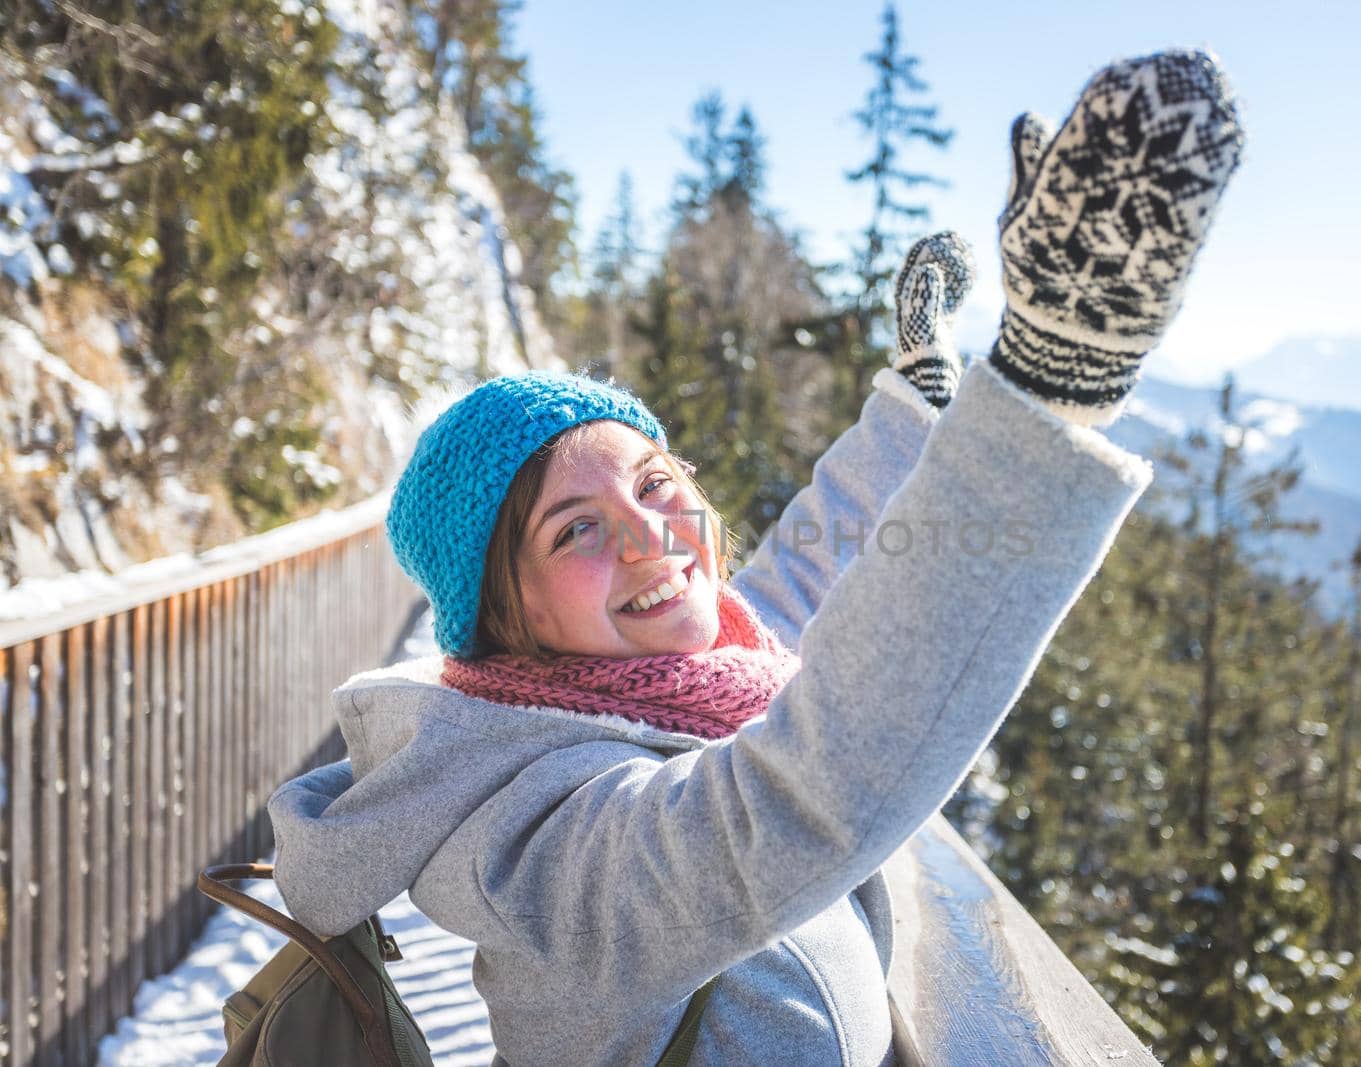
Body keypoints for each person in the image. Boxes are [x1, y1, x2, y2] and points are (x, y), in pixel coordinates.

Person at [269, 48, 1245, 1066]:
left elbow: (796, 579)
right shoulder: (540, 842)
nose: (653, 534)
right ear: (501, 613)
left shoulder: (662, 687)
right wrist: (1049, 382)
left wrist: (920, 409)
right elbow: (791, 798)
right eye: (574, 529)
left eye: (653, 482)